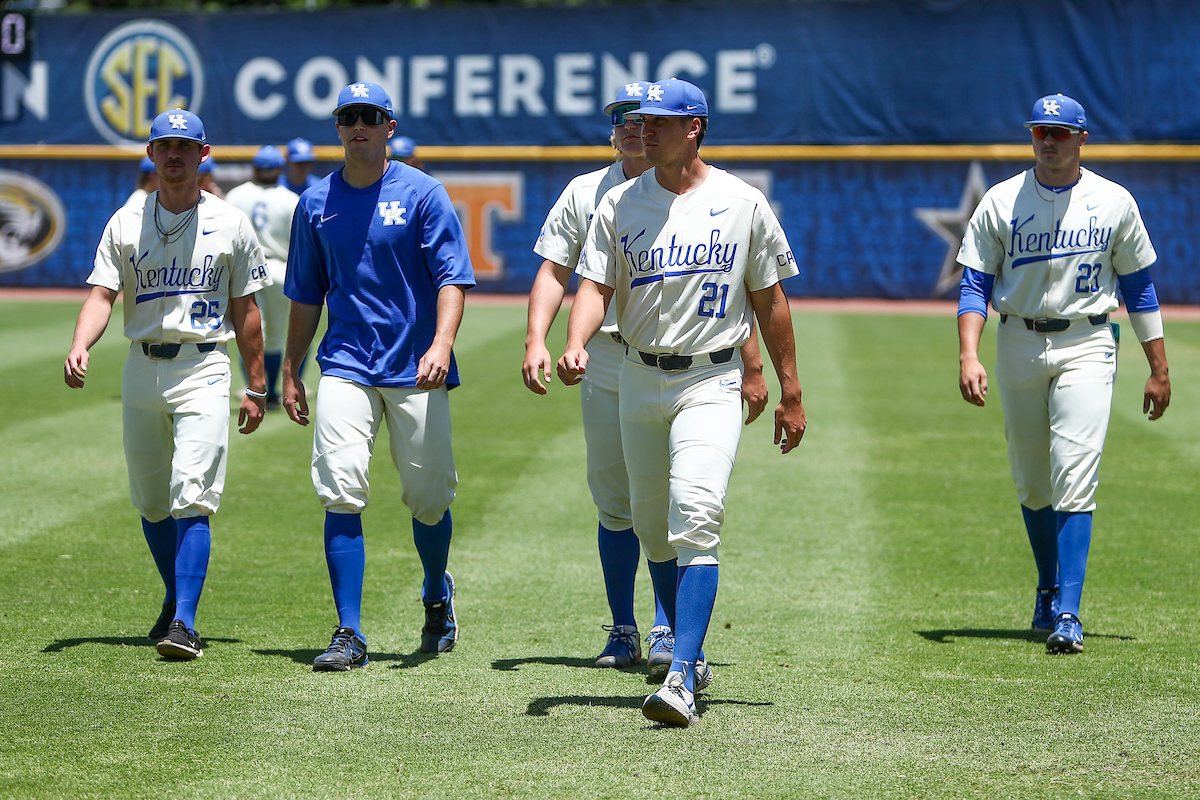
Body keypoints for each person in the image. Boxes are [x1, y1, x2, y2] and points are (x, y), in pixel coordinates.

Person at [558, 79, 806, 727]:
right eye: (641, 121)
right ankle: (689, 658)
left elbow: (771, 301)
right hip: (639, 376)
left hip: (712, 379)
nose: (646, 130)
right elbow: (592, 284)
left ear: (694, 127)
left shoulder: (742, 201)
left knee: (695, 514)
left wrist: (789, 390)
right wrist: (576, 339)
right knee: (649, 526)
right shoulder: (619, 204)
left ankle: (680, 677)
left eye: (661, 121)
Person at [523, 82, 768, 676]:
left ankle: (669, 630)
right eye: (625, 119)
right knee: (616, 498)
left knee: (682, 504)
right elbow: (557, 273)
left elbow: (733, 291)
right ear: (612, 130)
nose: (635, 128)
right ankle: (624, 626)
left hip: (693, 359)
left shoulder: (722, 197)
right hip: (613, 356)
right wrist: (543, 339)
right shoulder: (590, 194)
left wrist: (755, 366)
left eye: (646, 119)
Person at [957, 93, 1171, 655]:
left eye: (1059, 132)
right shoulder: (1002, 200)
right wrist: (968, 354)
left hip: (1088, 341)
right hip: (1018, 339)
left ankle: (1069, 612)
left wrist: (1158, 367)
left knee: (1074, 471)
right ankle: (1048, 586)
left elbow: (1139, 287)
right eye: (1040, 131)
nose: (1048, 141)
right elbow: (975, 283)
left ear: (1081, 139)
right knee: (1032, 479)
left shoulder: (1113, 201)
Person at [63, 108, 271, 661]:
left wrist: (257, 383)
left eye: (186, 145)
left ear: (204, 155)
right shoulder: (126, 221)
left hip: (203, 364)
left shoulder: (230, 222)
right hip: (141, 365)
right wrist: (82, 343)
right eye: (164, 145)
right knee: (152, 502)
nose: (174, 154)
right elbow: (101, 295)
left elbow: (246, 309)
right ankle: (175, 595)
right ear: (151, 154)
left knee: (191, 494)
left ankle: (184, 623)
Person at [282, 82, 476, 672]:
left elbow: (452, 278)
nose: (357, 126)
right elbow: (305, 295)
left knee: (427, 498)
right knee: (340, 489)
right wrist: (289, 371)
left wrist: (442, 343)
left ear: (389, 125)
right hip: (344, 362)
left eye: (369, 116)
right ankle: (349, 631)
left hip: (416, 365)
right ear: (338, 128)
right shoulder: (315, 203)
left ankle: (437, 593)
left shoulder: (422, 192)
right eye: (347, 117)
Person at [225, 145, 300, 409]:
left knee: (248, 331)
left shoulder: (236, 195)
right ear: (279, 168)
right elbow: (298, 243)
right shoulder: (290, 198)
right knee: (277, 334)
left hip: (245, 271)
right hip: (279, 269)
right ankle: (272, 393)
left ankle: (253, 388)